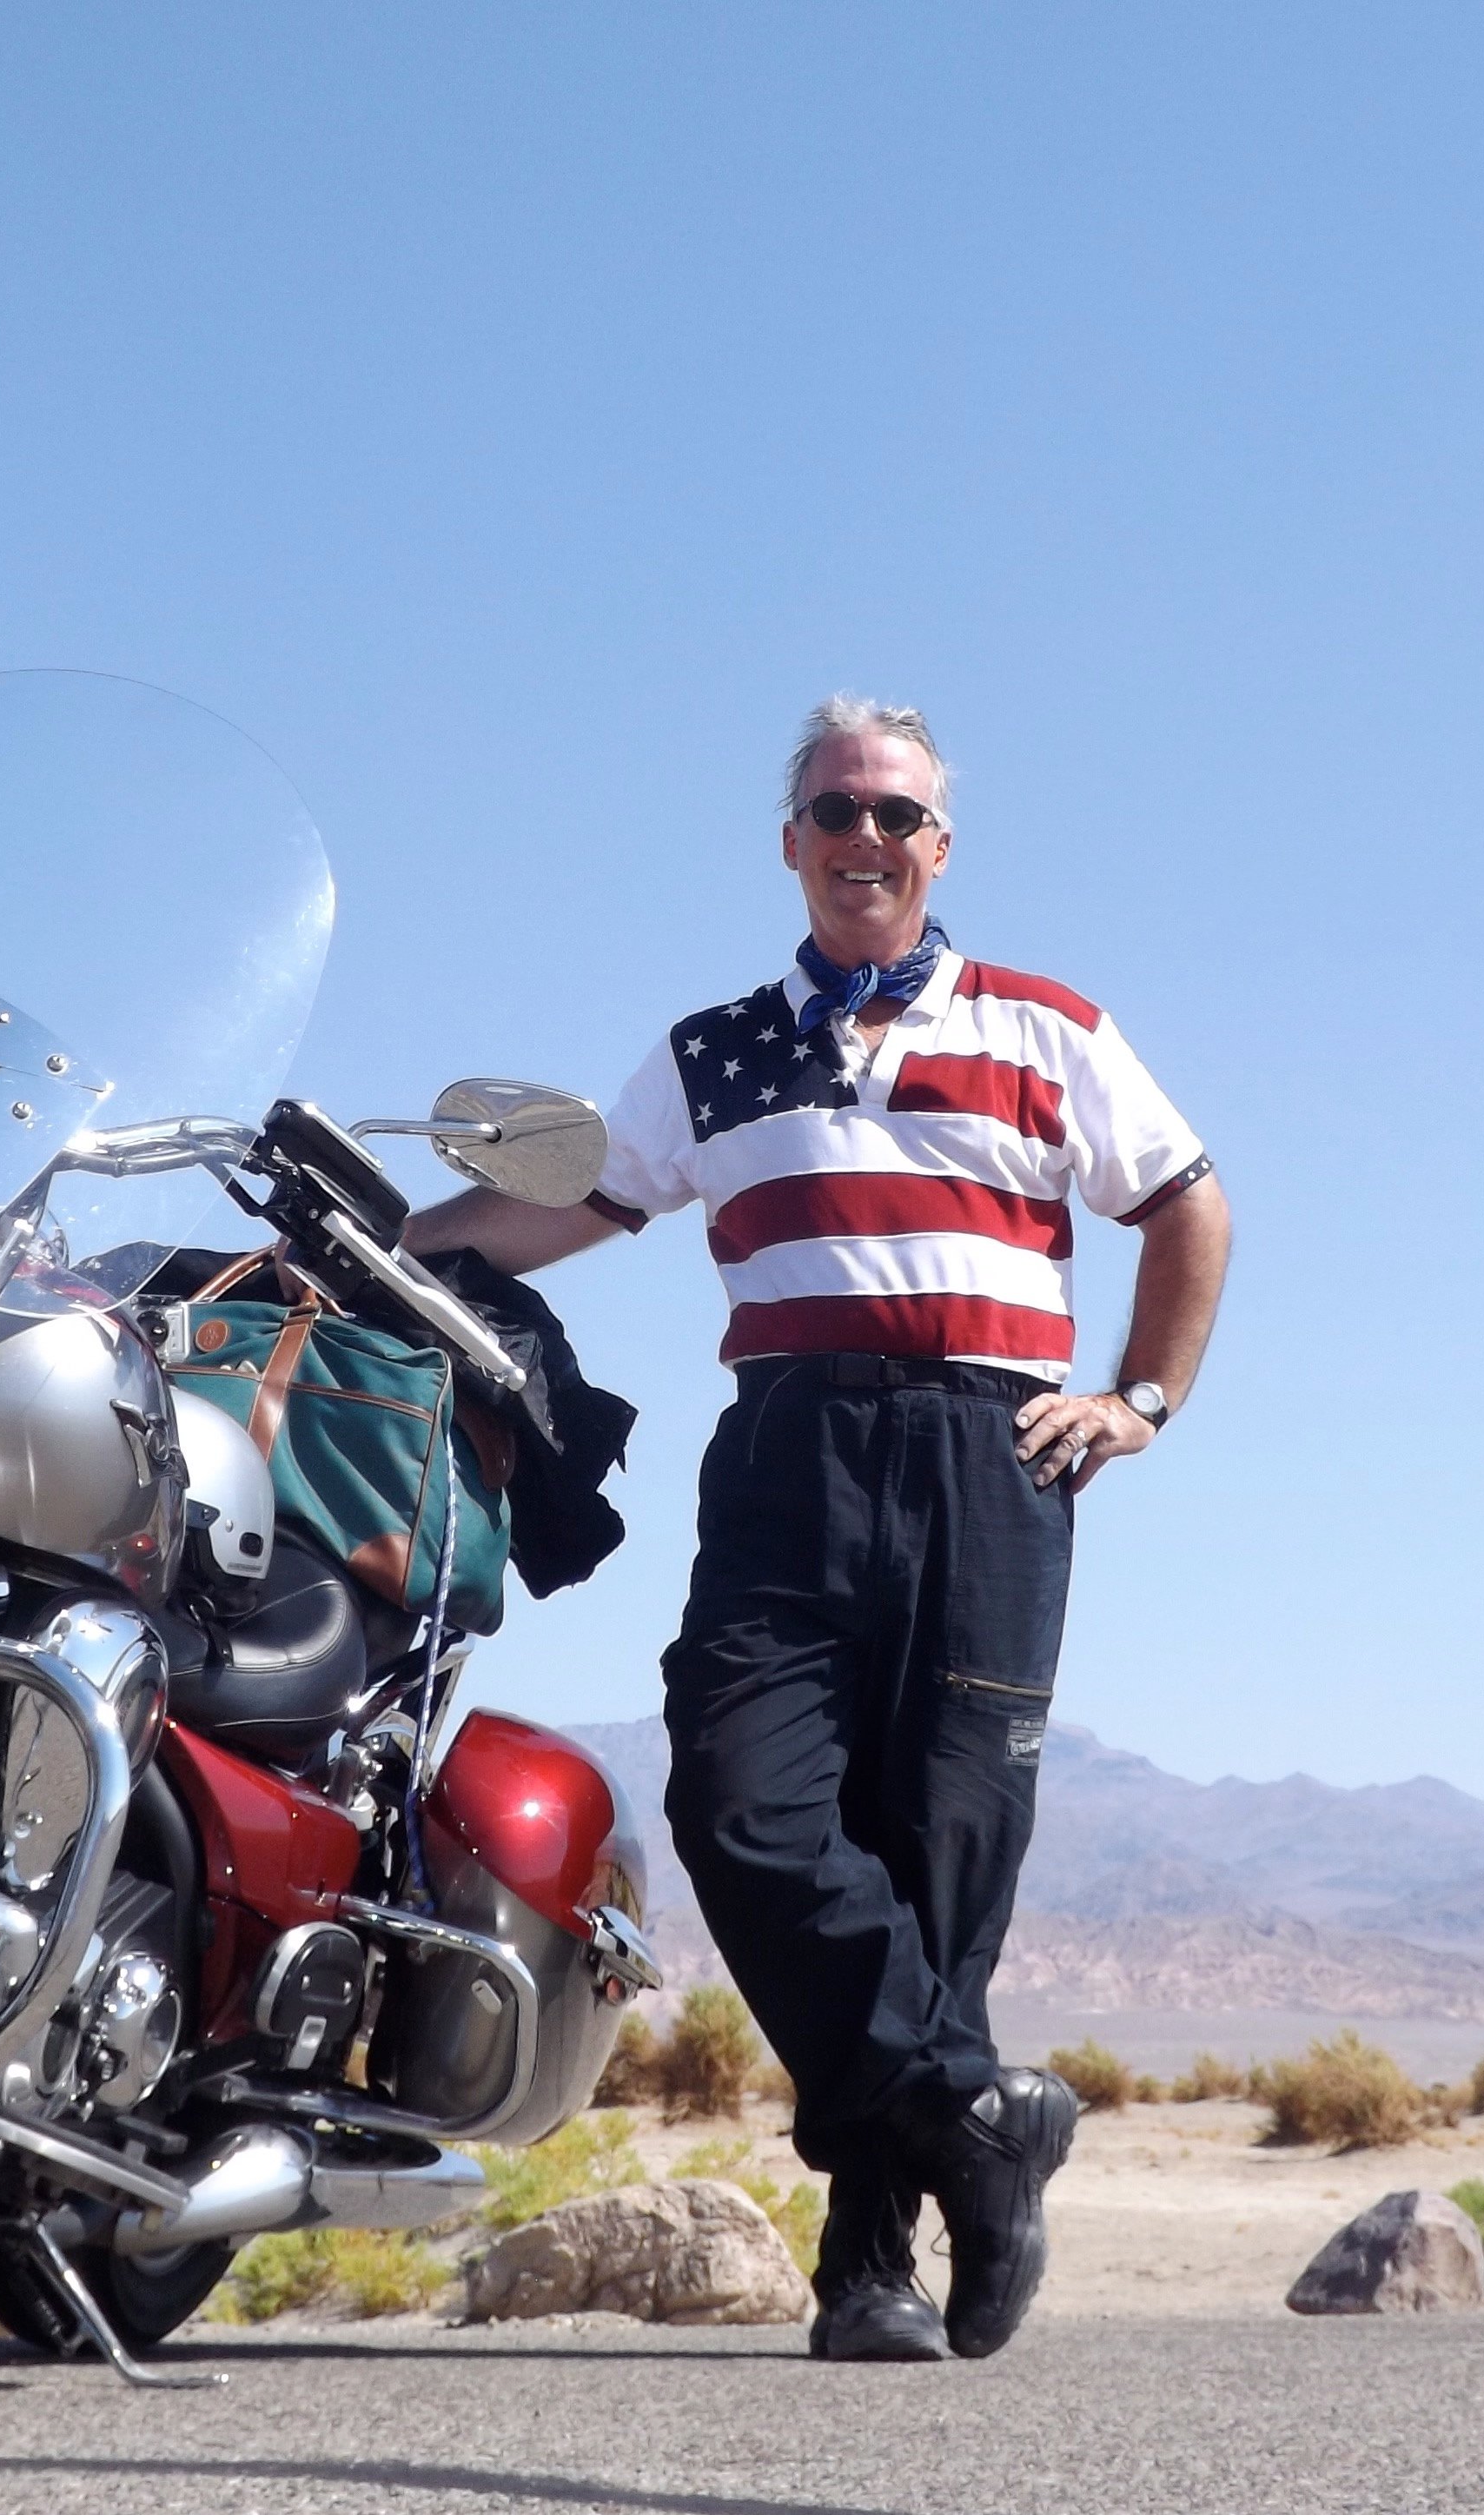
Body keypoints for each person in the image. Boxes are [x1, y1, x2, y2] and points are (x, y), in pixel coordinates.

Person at [406, 694, 1229, 2362]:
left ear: (940, 848)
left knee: (939, 1854)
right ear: (789, 842)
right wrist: (374, 1249)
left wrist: (1140, 1401)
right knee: (737, 1796)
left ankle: (870, 2269)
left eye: (899, 816)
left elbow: (1186, 1202)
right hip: (788, 1450)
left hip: (992, 1455)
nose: (868, 840)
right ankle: (979, 2116)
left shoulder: (1047, 1025)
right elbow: (562, 1204)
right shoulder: (716, 1050)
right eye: (837, 812)